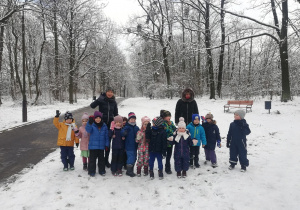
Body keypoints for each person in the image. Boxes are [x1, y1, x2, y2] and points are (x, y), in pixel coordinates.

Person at [90, 87, 118, 168]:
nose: (110, 93)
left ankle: (106, 161)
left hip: (110, 125)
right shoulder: (101, 100)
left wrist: (118, 123)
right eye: (108, 91)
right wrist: (99, 99)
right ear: (105, 92)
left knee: (108, 143)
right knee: (101, 142)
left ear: (113, 93)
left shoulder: (114, 102)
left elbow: (116, 114)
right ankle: (100, 160)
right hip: (101, 125)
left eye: (111, 92)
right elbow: (92, 106)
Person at [85, 111, 109, 177]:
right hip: (93, 147)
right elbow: (88, 130)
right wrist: (89, 123)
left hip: (101, 147)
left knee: (101, 160)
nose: (98, 119)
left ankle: (102, 171)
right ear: (94, 119)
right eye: (96, 118)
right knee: (92, 160)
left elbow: (106, 136)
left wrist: (107, 144)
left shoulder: (104, 126)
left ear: (101, 118)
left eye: (99, 118)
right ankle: (91, 171)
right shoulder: (92, 125)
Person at [121, 112, 139, 177]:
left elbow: (139, 133)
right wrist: (124, 133)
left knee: (134, 158)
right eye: (131, 119)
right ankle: (129, 171)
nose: (133, 120)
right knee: (131, 158)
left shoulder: (136, 127)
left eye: (134, 119)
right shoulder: (127, 127)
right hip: (129, 146)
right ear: (129, 120)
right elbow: (122, 132)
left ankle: (131, 169)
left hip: (135, 146)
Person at [160, 110, 176, 174]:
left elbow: (174, 129)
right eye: (168, 116)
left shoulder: (171, 122)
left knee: (169, 155)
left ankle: (167, 167)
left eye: (170, 116)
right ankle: (160, 167)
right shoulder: (162, 123)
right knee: (162, 155)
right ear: (164, 117)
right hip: (163, 142)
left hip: (170, 142)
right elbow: (166, 130)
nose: (169, 117)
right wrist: (171, 130)